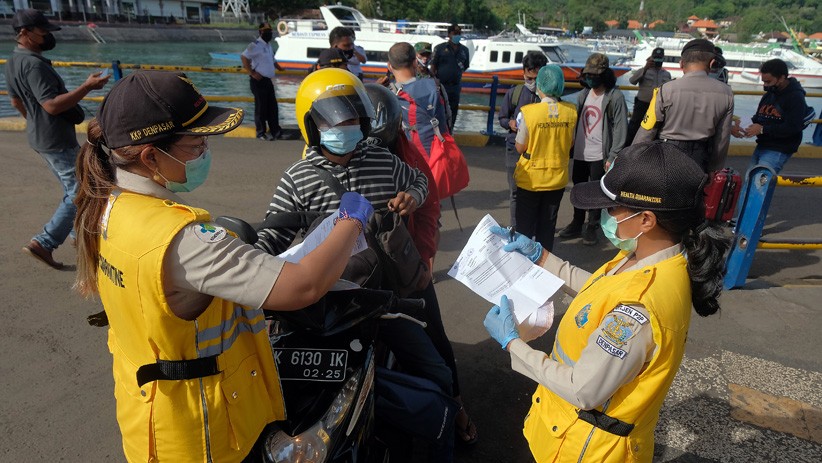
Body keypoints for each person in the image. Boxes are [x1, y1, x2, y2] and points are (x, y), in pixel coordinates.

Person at [72, 70, 374, 462]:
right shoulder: (182, 241)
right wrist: (350, 220)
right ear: (150, 156)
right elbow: (304, 285)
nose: (205, 152)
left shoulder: (107, 206)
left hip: (150, 416)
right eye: (196, 143)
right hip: (207, 433)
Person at [483, 141, 731, 463]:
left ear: (647, 220)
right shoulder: (652, 257)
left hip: (585, 448)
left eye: (613, 208)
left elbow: (582, 389)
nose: (607, 214)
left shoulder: (637, 312)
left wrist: (511, 343)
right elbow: (601, 291)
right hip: (564, 428)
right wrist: (540, 256)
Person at [254, 68, 455, 460]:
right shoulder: (298, 179)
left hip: (382, 298)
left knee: (438, 372)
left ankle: (451, 426)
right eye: (335, 121)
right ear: (312, 125)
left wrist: (412, 196)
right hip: (325, 303)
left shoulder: (382, 159)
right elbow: (272, 237)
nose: (346, 128)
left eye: (352, 119)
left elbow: (420, 181)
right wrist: (244, 265)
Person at [364, 83, 478, 446]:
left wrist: (425, 256)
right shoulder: (323, 159)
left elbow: (429, 209)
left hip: (405, 263)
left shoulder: (409, 158)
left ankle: (457, 407)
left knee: (435, 339)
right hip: (353, 269)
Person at [5, 8, 110, 269]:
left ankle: (77, 234)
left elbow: (15, 100)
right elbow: (51, 105)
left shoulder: (13, 61)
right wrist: (86, 87)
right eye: (44, 32)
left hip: (42, 137)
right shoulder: (33, 65)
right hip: (55, 140)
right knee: (80, 190)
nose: (48, 36)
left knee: (74, 186)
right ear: (24, 33)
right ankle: (45, 242)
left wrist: (34, 123)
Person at [557, 53, 628, 246]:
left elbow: (621, 128)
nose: (589, 79)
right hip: (580, 151)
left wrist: (613, 155)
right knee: (579, 188)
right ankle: (576, 222)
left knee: (597, 192)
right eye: (587, 75)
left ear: (604, 75)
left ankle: (592, 226)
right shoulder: (583, 94)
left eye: (593, 76)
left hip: (600, 154)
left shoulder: (615, 97)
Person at [633, 39, 734, 173]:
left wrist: (632, 160)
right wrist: (713, 170)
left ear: (681, 63)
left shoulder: (665, 90)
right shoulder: (726, 93)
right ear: (712, 63)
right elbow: (721, 141)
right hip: (699, 161)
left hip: (666, 157)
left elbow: (647, 130)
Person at [732, 58, 814, 222]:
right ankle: (741, 220)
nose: (766, 85)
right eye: (764, 81)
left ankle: (752, 225)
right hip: (763, 145)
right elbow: (760, 116)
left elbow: (793, 127)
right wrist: (746, 124)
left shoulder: (795, 98)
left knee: (760, 186)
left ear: (782, 77)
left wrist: (762, 129)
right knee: (749, 183)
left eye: (769, 81)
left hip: (778, 149)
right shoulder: (770, 94)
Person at [513, 64, 578, 253]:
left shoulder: (530, 113)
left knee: (524, 227)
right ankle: (544, 266)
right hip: (557, 178)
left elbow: (519, 147)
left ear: (539, 86)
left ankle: (522, 266)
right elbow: (571, 142)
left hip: (530, 179)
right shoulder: (570, 111)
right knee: (547, 227)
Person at [498, 51, 548, 227]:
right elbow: (502, 118)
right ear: (523, 73)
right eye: (529, 78)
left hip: (538, 151)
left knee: (537, 192)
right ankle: (515, 227)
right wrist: (510, 123)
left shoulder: (549, 98)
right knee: (515, 192)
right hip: (514, 148)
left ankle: (532, 227)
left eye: (536, 79)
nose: (532, 83)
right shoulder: (515, 93)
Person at [241, 22, 285, 141]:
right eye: (266, 31)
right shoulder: (255, 45)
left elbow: (272, 59)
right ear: (260, 32)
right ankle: (261, 133)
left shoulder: (268, 45)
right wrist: (252, 73)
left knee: (272, 107)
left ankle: (275, 131)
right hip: (258, 81)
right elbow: (244, 57)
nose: (269, 33)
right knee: (261, 107)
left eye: (270, 31)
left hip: (268, 81)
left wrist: (280, 68)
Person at [626, 47, 671, 144]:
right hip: (642, 104)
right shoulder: (644, 71)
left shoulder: (667, 74)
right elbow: (632, 81)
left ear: (663, 59)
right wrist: (646, 67)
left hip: (657, 107)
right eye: (656, 58)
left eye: (660, 58)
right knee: (634, 128)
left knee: (655, 130)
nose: (658, 61)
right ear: (651, 58)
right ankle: (627, 148)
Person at [430, 23, 470, 129]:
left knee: (453, 112)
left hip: (455, 87)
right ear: (449, 34)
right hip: (441, 86)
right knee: (439, 110)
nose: (457, 35)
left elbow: (465, 66)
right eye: (455, 33)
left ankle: (449, 133)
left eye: (459, 33)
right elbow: (433, 66)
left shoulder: (464, 50)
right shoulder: (439, 48)